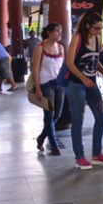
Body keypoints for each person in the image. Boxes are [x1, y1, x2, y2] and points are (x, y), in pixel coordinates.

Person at [66, 11, 103, 170]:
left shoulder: (96, 38)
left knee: (101, 116)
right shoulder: (77, 38)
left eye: (101, 28)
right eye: (96, 28)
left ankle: (96, 154)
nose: (99, 31)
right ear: (87, 26)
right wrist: (83, 78)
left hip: (91, 83)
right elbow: (69, 63)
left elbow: (96, 59)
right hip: (76, 84)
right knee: (78, 120)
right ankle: (79, 157)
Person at [33, 23, 65, 156]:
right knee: (49, 114)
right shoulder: (40, 48)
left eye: (60, 31)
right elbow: (35, 69)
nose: (60, 34)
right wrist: (38, 88)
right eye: (57, 31)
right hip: (46, 84)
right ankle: (54, 145)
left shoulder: (60, 48)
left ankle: (41, 137)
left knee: (57, 115)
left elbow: (62, 67)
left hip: (59, 84)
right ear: (49, 32)